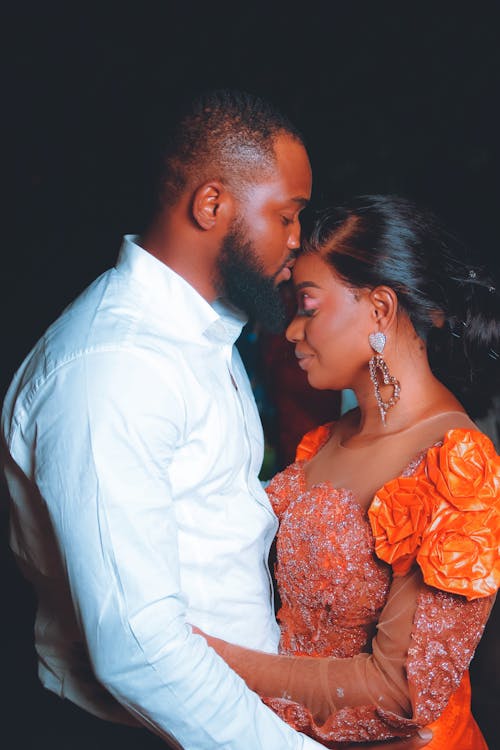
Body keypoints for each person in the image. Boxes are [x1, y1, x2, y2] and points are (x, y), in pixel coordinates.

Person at [0, 91, 432, 750]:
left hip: (236, 717)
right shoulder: (116, 366)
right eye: (288, 216)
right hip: (149, 732)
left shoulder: (203, 337)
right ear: (212, 206)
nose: (297, 242)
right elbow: (138, 649)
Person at [193, 194, 500, 748]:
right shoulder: (325, 440)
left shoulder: (459, 466)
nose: (290, 331)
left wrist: (213, 661)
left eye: (308, 306)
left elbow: (403, 692)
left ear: (380, 310)